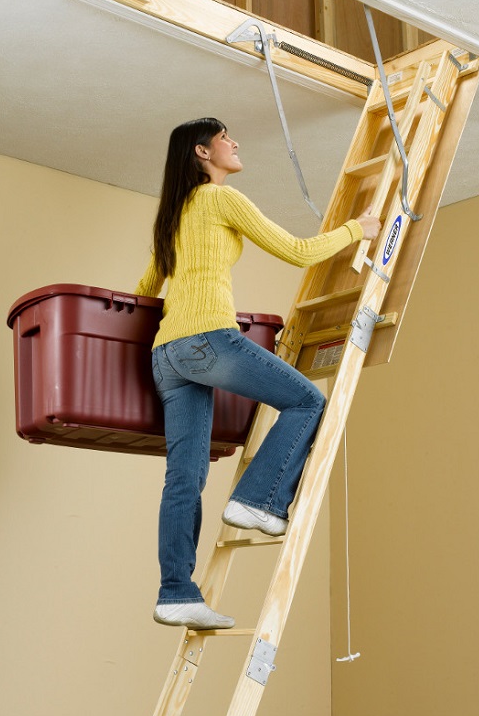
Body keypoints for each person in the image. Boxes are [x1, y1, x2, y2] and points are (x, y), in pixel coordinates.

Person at [135, 117, 381, 630]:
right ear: (203, 153)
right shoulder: (221, 199)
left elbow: (144, 290)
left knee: (184, 480)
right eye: (226, 137)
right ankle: (258, 501)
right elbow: (297, 251)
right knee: (307, 401)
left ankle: (175, 593)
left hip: (167, 355)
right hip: (205, 340)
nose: (235, 143)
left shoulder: (172, 215)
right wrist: (360, 229)